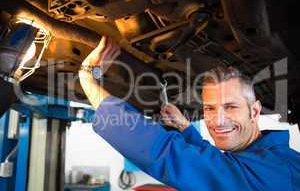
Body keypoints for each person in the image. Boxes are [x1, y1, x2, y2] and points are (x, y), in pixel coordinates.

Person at [79, 36, 300, 191]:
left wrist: (88, 78)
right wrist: (185, 127)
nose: (218, 119)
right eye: (209, 108)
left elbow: (167, 154)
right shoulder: (269, 157)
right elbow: (218, 164)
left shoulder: (273, 174)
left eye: (230, 107)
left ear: (255, 111)